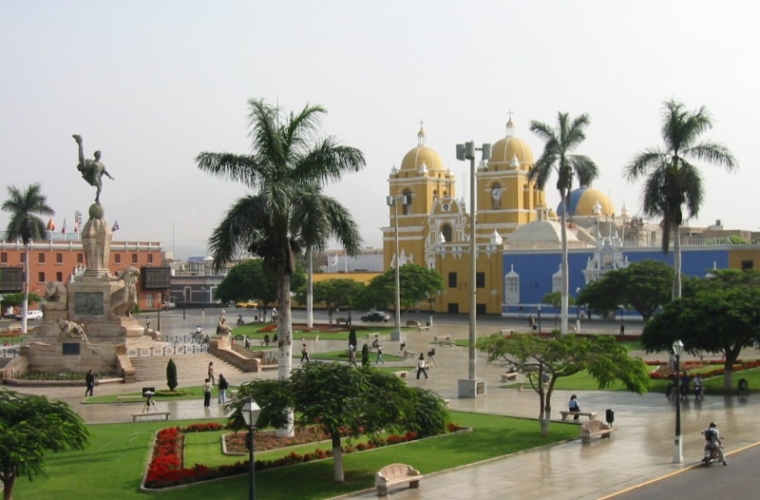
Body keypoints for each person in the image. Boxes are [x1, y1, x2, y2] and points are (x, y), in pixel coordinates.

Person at [72, 134, 115, 204]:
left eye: (100, 155)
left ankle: (97, 199)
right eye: (98, 155)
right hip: (95, 177)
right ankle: (80, 143)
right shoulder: (91, 162)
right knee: (99, 188)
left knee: (100, 189)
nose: (99, 156)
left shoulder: (101, 164)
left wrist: (109, 176)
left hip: (99, 177)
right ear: (96, 155)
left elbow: (104, 171)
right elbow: (83, 163)